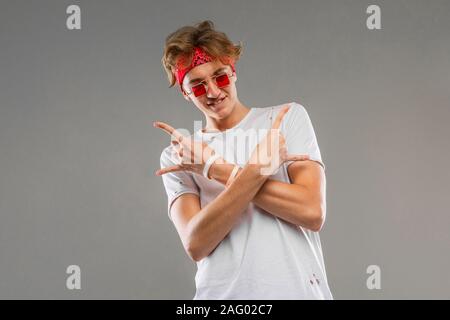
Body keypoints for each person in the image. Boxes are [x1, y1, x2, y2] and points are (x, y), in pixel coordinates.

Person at [155, 20, 333, 299]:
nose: (213, 91)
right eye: (198, 86)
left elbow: (311, 211)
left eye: (220, 76)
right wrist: (258, 167)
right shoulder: (183, 153)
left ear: (233, 71)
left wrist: (215, 169)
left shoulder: (285, 119)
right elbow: (196, 243)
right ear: (185, 92)